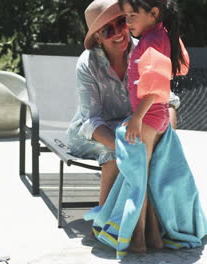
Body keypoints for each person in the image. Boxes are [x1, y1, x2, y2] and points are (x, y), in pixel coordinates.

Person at [66, 0, 180, 245]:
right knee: (113, 153)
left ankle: (154, 227)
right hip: (94, 133)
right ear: (97, 37)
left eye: (121, 22)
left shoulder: (145, 49)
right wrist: (123, 150)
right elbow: (91, 121)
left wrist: (165, 136)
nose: (118, 32)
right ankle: (106, 225)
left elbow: (167, 99)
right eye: (108, 30)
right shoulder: (88, 63)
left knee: (156, 152)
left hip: (133, 127)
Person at [118, 0, 189, 252]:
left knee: (139, 180)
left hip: (148, 116)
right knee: (145, 178)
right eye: (125, 16)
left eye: (132, 15)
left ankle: (137, 239)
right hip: (157, 115)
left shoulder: (152, 40)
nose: (127, 22)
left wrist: (136, 117)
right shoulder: (161, 34)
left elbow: (156, 84)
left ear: (153, 13)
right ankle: (153, 238)